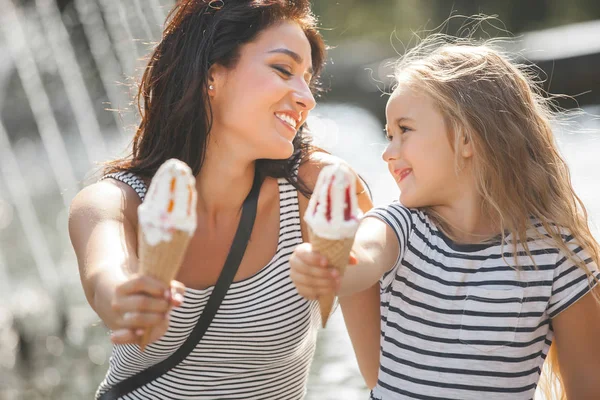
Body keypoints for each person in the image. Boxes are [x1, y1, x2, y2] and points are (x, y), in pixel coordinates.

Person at [68, 1, 380, 398]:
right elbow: (105, 278)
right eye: (284, 69)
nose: (307, 98)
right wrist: (127, 299)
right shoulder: (114, 201)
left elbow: (380, 373)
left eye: (308, 80)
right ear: (212, 75)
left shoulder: (319, 191)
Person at [290, 35, 600, 400]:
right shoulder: (399, 227)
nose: (388, 153)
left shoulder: (557, 256)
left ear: (468, 138)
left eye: (404, 130)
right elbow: (364, 254)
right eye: (389, 135)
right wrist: (329, 261)